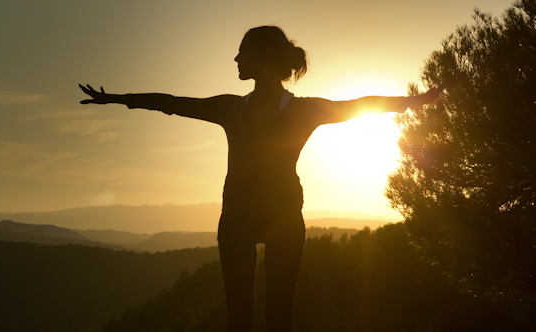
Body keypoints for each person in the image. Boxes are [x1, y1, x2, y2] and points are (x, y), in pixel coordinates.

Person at [80, 25, 443, 332]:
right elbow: (173, 102)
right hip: (237, 223)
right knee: (238, 319)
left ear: (265, 56)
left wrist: (416, 100)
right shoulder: (232, 107)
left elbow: (361, 104)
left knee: (278, 319)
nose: (236, 59)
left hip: (283, 223)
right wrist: (114, 98)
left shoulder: (301, 110)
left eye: (242, 51)